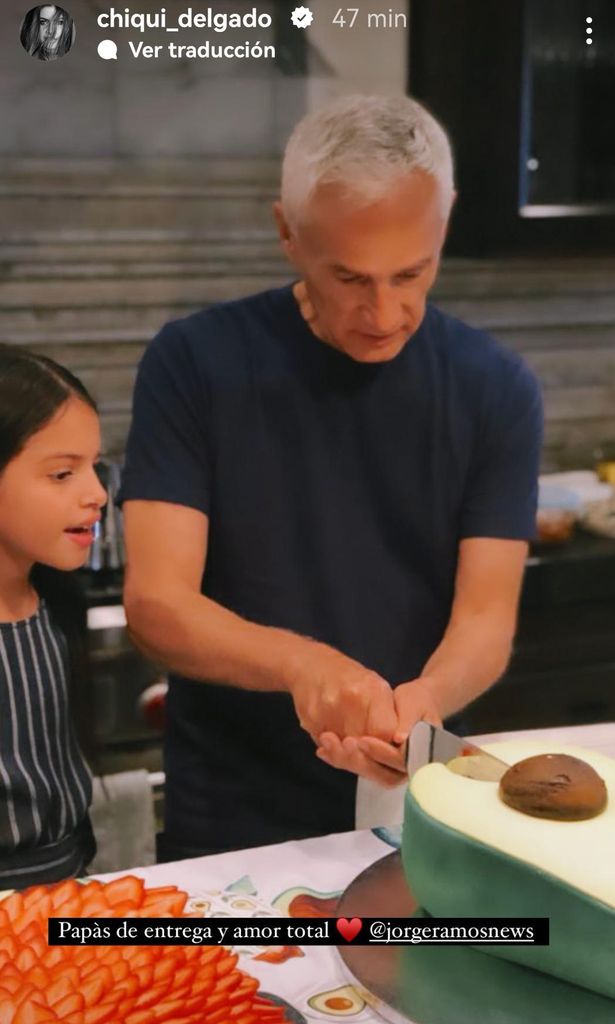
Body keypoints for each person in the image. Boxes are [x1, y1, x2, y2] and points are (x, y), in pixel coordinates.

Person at [120, 94, 543, 859]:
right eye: (349, 278)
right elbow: (156, 604)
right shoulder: (193, 364)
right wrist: (303, 667)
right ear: (286, 230)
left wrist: (426, 703)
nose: (383, 313)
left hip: (421, 803)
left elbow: (486, 616)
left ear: (442, 223)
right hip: (233, 815)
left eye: (411, 273)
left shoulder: (496, 387)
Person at [0, 344, 107, 888]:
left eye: (94, 467)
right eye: (63, 474)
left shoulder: (57, 607)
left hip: (70, 901)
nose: (97, 494)